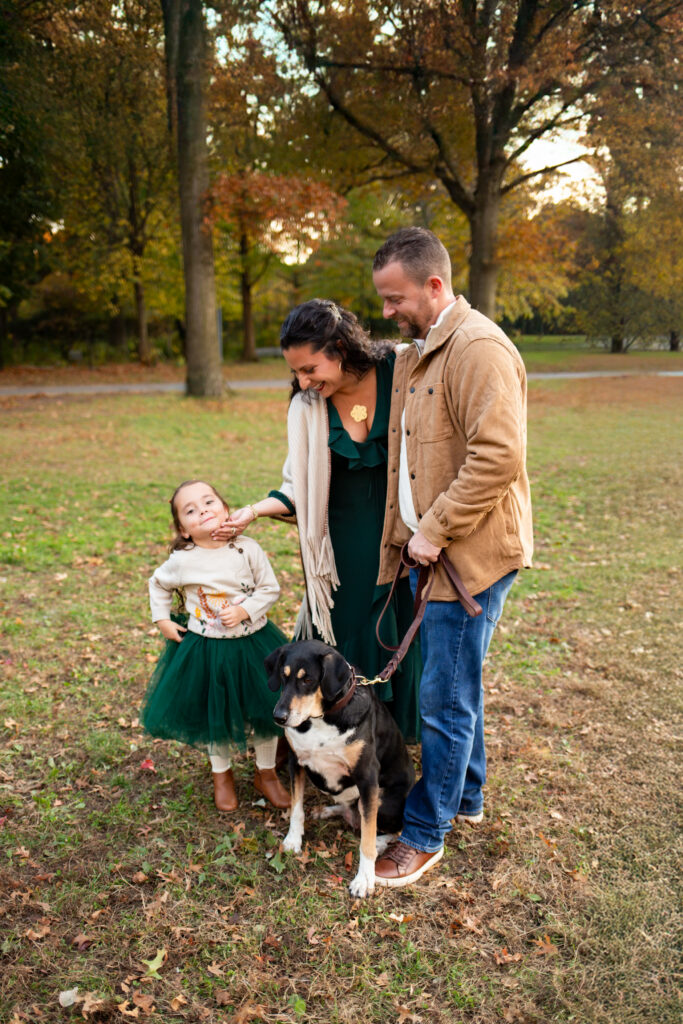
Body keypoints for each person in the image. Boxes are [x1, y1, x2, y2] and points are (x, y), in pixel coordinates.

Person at [370, 227, 533, 887]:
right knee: (457, 686)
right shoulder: (425, 350)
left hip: (468, 556)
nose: (387, 311)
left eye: (395, 298)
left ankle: (424, 834)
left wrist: (434, 531)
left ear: (434, 286)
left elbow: (499, 456)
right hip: (436, 552)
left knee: (444, 699)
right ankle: (465, 796)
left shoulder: (477, 349)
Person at [216, 299, 421, 742]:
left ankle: (399, 737)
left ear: (341, 348)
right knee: (350, 640)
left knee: (406, 634)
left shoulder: (402, 370)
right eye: (296, 372)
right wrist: (254, 511)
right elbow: (297, 488)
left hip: (407, 541)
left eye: (310, 369)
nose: (304, 382)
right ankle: (349, 739)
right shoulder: (307, 407)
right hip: (339, 556)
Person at [141, 480, 291, 813]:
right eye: (190, 510)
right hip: (208, 651)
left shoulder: (247, 549)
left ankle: (266, 773)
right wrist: (162, 619)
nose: (203, 511)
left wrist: (244, 610)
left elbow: (269, 589)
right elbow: (158, 583)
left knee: (266, 710)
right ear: (184, 529)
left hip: (254, 645)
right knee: (216, 713)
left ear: (225, 509)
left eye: (209, 502)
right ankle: (221, 774)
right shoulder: (183, 560)